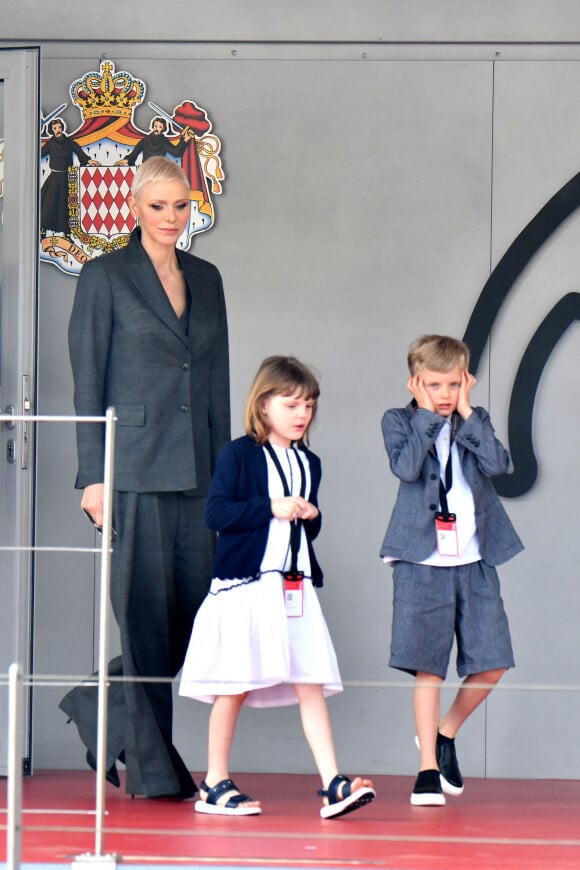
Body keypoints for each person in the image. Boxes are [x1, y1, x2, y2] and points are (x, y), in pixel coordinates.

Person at [59, 155, 230, 800]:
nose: (171, 218)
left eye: (181, 206)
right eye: (158, 206)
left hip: (198, 471)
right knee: (140, 615)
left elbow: (215, 380)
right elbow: (87, 380)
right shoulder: (105, 276)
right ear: (134, 207)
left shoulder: (208, 278)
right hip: (131, 468)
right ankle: (157, 776)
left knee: (190, 618)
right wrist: (93, 476)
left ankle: (95, 705)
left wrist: (226, 473)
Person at [179, 356, 376, 819]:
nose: (302, 413)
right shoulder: (239, 454)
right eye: (291, 404)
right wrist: (272, 506)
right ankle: (213, 782)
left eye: (308, 404)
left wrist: (311, 516)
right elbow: (216, 514)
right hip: (247, 586)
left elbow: (303, 532)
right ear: (264, 405)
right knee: (234, 685)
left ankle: (332, 782)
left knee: (311, 681)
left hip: (295, 587)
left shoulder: (310, 462)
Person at [379, 335, 523, 807]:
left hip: (475, 556)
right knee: (429, 668)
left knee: (493, 661)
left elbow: (499, 464)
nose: (443, 393)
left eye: (452, 383)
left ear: (465, 381)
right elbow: (405, 468)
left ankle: (443, 734)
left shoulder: (471, 421)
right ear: (416, 382)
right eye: (434, 384)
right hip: (423, 560)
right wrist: (425, 415)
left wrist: (466, 412)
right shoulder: (400, 420)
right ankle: (426, 770)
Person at [40, 117, 99, 235]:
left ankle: (67, 232)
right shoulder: (50, 144)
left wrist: (88, 160)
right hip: (54, 178)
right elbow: (38, 154)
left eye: (59, 127)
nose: (58, 130)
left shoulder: (69, 143)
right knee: (48, 203)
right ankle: (43, 230)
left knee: (66, 205)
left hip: (67, 178)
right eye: (55, 128)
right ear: (52, 130)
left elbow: (80, 153)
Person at [115, 117, 193, 166]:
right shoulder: (144, 141)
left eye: (160, 127)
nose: (157, 128)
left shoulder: (164, 141)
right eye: (155, 126)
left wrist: (184, 140)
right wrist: (127, 160)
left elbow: (176, 152)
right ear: (152, 126)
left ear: (163, 128)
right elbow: (135, 153)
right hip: (146, 171)